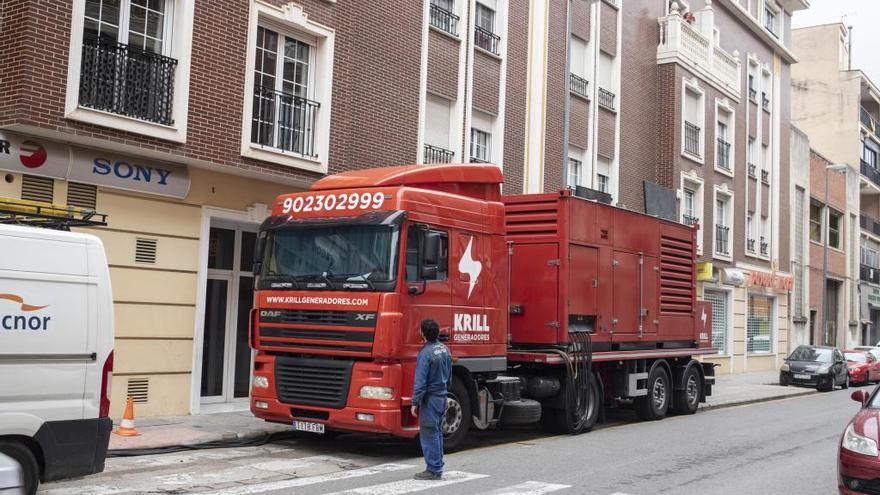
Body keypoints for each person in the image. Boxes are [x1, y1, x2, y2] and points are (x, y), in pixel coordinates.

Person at [411, 319, 452, 480]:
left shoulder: (425, 354)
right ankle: (438, 465)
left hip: (430, 399)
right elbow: (449, 376)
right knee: (437, 432)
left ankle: (433, 469)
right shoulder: (444, 349)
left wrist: (415, 402)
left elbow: (420, 382)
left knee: (429, 433)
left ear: (423, 334)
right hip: (442, 396)